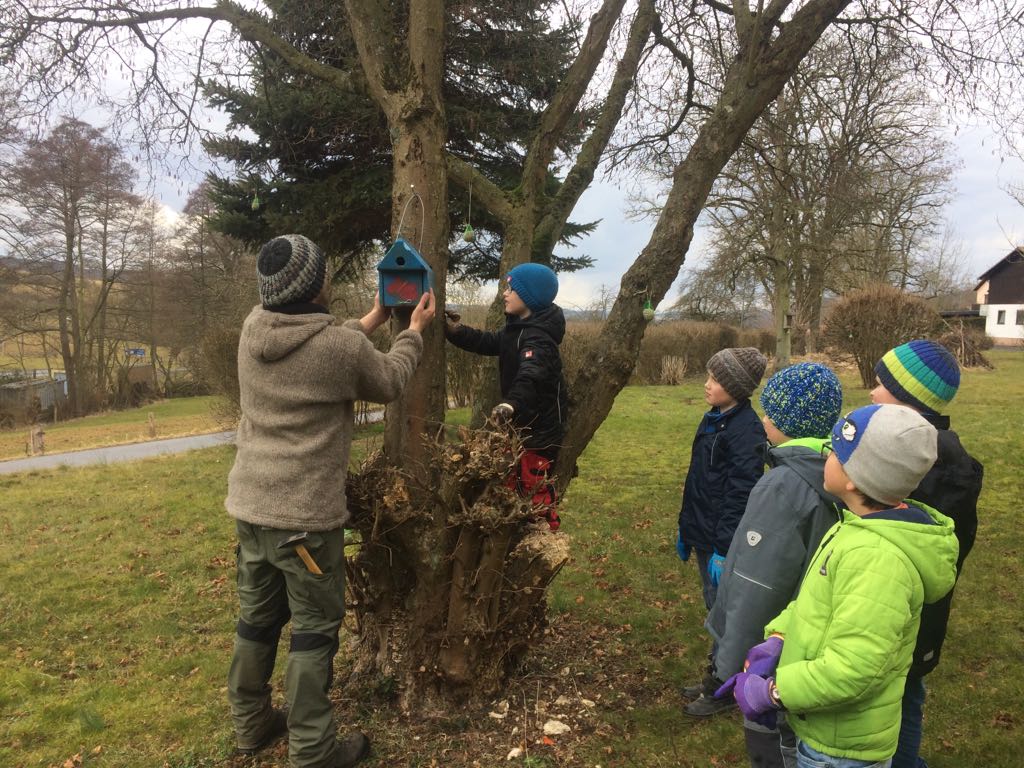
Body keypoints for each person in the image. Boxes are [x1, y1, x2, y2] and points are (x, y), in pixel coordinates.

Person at [225, 234, 435, 768]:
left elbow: (316, 345)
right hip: (304, 520)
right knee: (314, 633)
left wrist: (370, 321)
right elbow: (386, 379)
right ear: (317, 283)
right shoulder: (338, 352)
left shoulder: (254, 330)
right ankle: (313, 749)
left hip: (251, 508)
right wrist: (412, 333)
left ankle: (250, 725)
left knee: (256, 621)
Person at [717, 404, 959, 768]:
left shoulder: (878, 559)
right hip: (822, 730)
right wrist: (780, 637)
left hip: (840, 751)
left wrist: (774, 693)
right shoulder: (855, 526)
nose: (824, 454)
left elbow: (853, 669)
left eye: (833, 451)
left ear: (852, 478)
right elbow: (815, 603)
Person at [704, 363, 844, 759]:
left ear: (788, 423)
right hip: (810, 640)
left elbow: (756, 585)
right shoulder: (831, 470)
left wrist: (731, 664)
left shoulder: (782, 486)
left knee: (772, 743)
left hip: (769, 653)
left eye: (771, 413)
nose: (763, 419)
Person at [870, 340, 983, 768]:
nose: (871, 392)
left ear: (906, 399)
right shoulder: (950, 456)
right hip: (926, 621)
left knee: (896, 699)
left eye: (880, 385)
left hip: (898, 616)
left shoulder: (918, 465)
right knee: (911, 692)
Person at [444, 262, 568, 530]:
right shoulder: (518, 329)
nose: (505, 293)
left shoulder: (538, 339)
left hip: (538, 433)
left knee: (535, 488)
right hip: (521, 426)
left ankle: (544, 533)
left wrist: (510, 403)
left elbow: (531, 376)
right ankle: (515, 531)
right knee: (513, 484)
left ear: (530, 297)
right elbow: (488, 342)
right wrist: (456, 332)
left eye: (512, 288)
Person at [678, 347, 767, 716]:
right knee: (714, 607)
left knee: (726, 615)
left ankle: (726, 687)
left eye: (714, 380)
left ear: (735, 386)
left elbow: (739, 493)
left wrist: (722, 547)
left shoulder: (746, 430)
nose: (706, 384)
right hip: (702, 532)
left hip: (722, 541)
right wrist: (686, 529)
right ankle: (716, 673)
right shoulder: (714, 418)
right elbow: (698, 481)